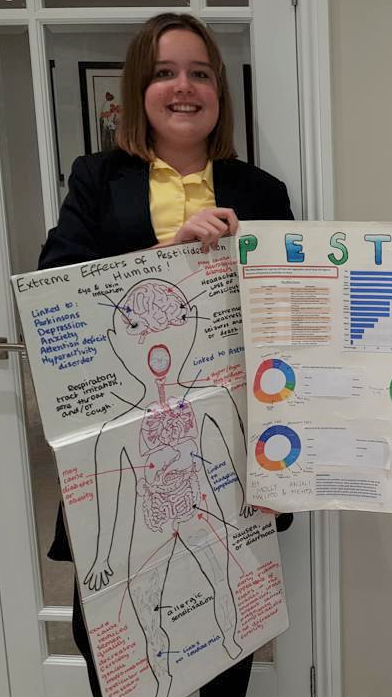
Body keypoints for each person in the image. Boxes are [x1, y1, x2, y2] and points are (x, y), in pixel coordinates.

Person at [38, 13, 294, 697]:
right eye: (165, 72)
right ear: (138, 89)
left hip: (229, 466)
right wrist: (166, 254)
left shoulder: (262, 194)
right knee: (121, 655)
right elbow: (55, 300)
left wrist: (281, 467)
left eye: (201, 73)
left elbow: (288, 333)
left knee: (226, 636)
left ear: (220, 93)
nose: (185, 87)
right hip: (118, 455)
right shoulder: (96, 179)